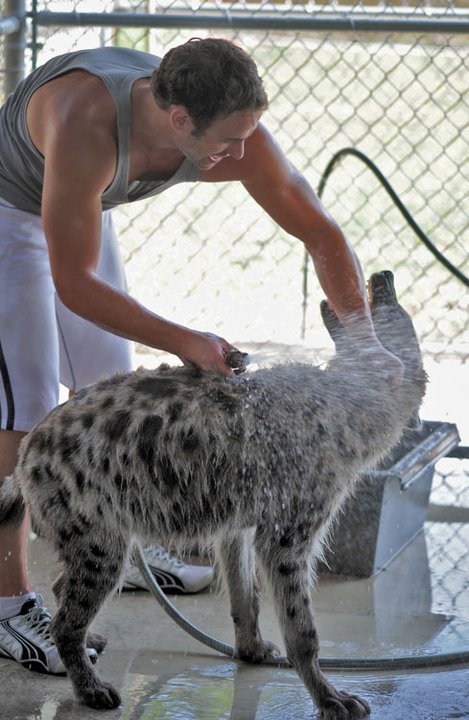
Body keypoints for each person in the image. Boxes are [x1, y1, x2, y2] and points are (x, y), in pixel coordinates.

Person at [0, 37, 402, 675]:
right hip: (11, 205)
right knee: (24, 410)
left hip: (86, 201)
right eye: (230, 142)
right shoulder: (86, 127)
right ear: (179, 120)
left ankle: (122, 538)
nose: (243, 155)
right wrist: (188, 341)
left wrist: (363, 336)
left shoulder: (227, 129)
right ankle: (9, 601)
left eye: (250, 135)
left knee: (106, 384)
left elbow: (319, 230)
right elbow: (73, 284)